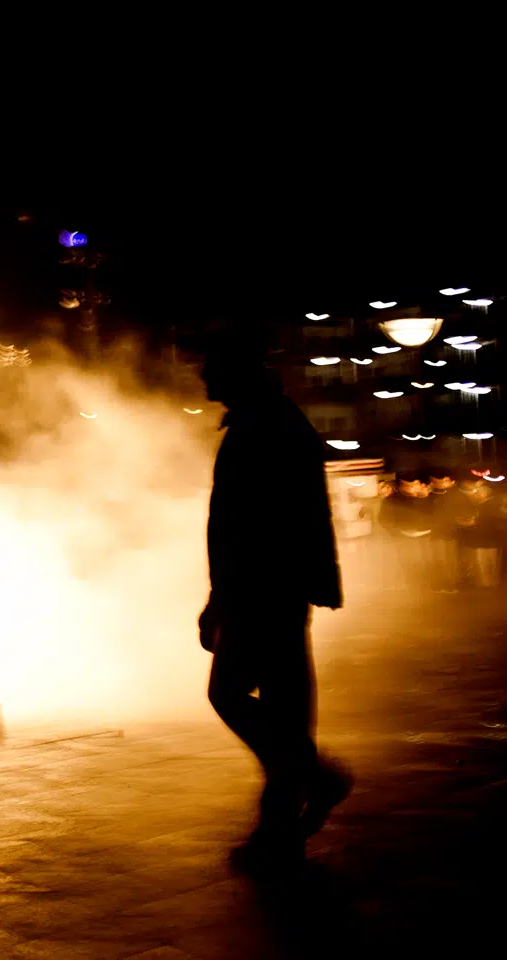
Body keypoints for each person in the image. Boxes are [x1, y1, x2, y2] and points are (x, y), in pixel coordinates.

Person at [197, 341, 353, 870]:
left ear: (235, 376)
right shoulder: (273, 420)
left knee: (229, 693)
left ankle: (310, 779)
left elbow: (248, 525)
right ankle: (282, 823)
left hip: (262, 586)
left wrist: (221, 598)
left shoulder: (262, 427)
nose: (204, 381)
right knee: (284, 705)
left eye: (211, 372)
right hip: (276, 585)